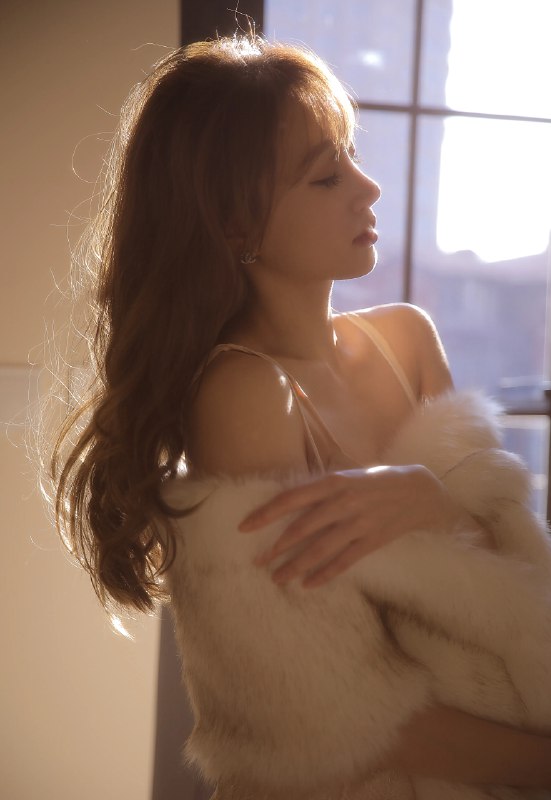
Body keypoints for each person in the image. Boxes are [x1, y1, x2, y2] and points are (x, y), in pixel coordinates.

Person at [51, 33, 551, 799]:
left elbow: (519, 584)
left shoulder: (406, 340)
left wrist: (436, 501)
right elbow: (337, 716)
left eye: (350, 155)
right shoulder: (243, 395)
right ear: (234, 226)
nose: (368, 189)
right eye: (326, 176)